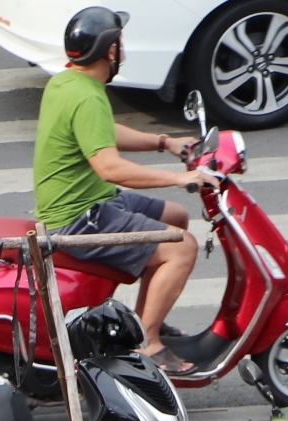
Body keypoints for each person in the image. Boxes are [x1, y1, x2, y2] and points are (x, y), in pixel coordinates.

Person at [32, 7, 215, 368]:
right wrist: (180, 178)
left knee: (177, 218)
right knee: (182, 249)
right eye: (120, 40)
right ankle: (148, 343)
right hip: (79, 216)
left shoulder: (66, 82)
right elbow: (109, 166)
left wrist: (164, 142)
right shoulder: (86, 94)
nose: (123, 47)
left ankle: (148, 320)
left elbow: (99, 133)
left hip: (92, 199)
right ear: (111, 51)